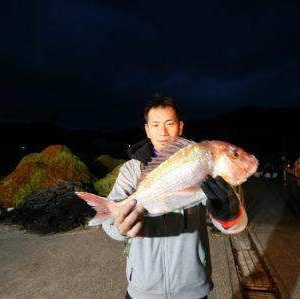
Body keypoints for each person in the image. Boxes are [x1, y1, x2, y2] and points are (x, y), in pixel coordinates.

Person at [102, 93, 247, 299]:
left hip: (192, 288)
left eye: (169, 124)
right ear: (147, 130)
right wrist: (120, 228)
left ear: (180, 126)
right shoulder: (131, 170)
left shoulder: (201, 163)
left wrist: (226, 208)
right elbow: (110, 224)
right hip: (143, 289)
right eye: (155, 125)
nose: (163, 132)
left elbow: (236, 225)